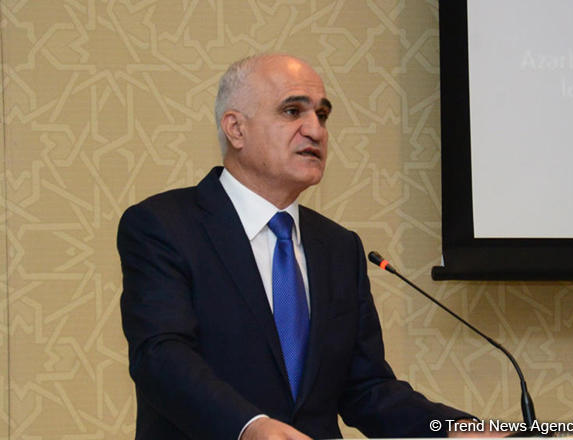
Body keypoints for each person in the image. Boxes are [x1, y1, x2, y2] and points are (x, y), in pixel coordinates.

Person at [118, 54, 483, 439]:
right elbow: (161, 357)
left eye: (322, 115)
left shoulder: (339, 247)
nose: (316, 130)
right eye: (293, 111)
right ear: (236, 129)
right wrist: (248, 427)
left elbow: (367, 389)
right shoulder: (164, 226)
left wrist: (457, 429)